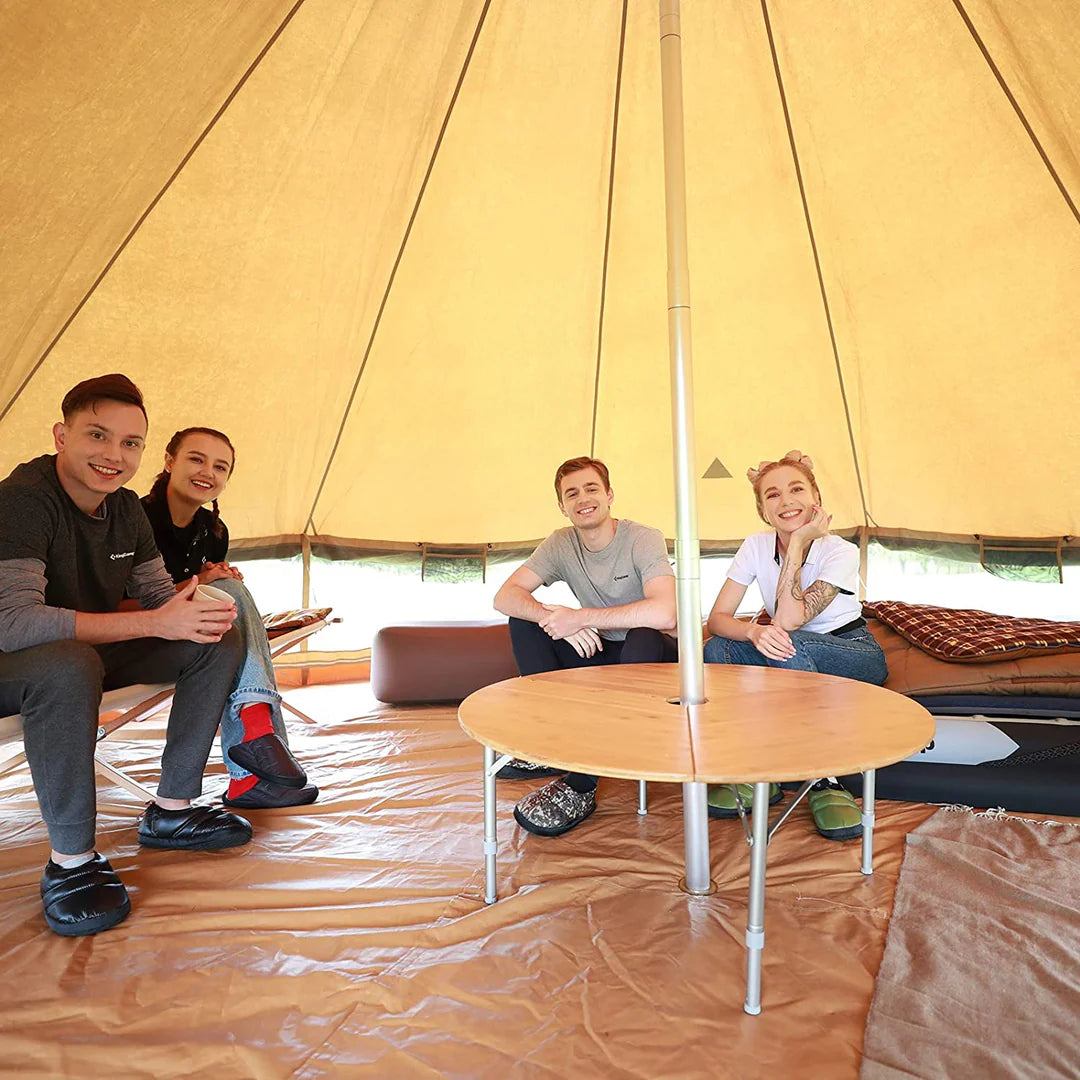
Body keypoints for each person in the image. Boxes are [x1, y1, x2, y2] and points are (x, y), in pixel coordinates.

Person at [0, 374, 254, 938]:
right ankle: (71, 861)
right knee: (70, 662)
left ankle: (172, 810)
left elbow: (160, 596)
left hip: (84, 652)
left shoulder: (124, 510)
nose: (114, 455)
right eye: (98, 435)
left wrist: (200, 605)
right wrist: (155, 622)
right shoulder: (22, 500)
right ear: (61, 436)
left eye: (130, 443)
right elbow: (15, 624)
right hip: (16, 662)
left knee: (214, 637)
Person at [703, 450, 887, 839]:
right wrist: (753, 633)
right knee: (716, 650)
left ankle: (824, 777)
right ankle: (763, 771)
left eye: (797, 489)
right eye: (772, 495)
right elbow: (718, 618)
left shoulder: (840, 551)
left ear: (816, 499)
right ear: (762, 510)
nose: (786, 501)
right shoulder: (755, 545)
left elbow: (788, 619)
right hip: (788, 646)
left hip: (850, 649)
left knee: (789, 644)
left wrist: (800, 541)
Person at [493, 456, 677, 837]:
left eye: (592, 489)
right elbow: (504, 596)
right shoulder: (561, 543)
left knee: (642, 635)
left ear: (609, 495)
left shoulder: (643, 538)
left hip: (656, 659)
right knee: (525, 623)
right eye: (572, 494)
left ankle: (581, 782)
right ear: (563, 506)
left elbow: (666, 614)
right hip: (603, 653)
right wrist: (553, 618)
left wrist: (580, 618)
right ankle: (552, 746)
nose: (583, 499)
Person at [139, 427, 317, 810]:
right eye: (196, 459)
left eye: (221, 467)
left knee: (229, 600)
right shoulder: (136, 520)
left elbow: (202, 593)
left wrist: (212, 579)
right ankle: (253, 757)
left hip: (194, 632)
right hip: (141, 635)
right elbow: (128, 602)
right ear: (169, 461)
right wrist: (201, 582)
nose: (208, 472)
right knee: (227, 600)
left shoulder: (213, 530)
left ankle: (254, 757)